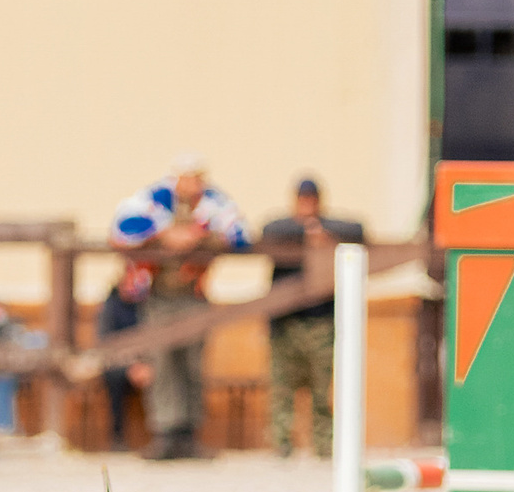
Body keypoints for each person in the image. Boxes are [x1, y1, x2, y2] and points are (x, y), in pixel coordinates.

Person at [110, 154, 248, 460]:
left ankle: (190, 434)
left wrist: (199, 238)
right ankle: (164, 433)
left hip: (193, 295)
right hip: (159, 296)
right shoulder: (153, 202)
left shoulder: (214, 204)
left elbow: (240, 235)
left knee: (192, 364)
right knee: (161, 363)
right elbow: (121, 230)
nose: (192, 184)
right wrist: (164, 236)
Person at [258, 177, 366, 458]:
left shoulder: (332, 229)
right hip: (286, 322)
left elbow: (358, 230)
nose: (307, 205)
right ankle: (282, 443)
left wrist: (322, 233)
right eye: (303, 200)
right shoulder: (283, 231)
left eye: (311, 200)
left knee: (323, 389)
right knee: (282, 388)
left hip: (321, 320)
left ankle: (324, 444)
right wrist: (307, 231)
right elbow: (267, 230)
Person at [95, 259, 153, 451]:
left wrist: (143, 364)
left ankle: (163, 435)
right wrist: (130, 366)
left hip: (144, 364)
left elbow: (152, 340)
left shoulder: (145, 305)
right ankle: (117, 437)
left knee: (161, 376)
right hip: (116, 364)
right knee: (115, 380)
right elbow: (106, 343)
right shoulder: (110, 306)